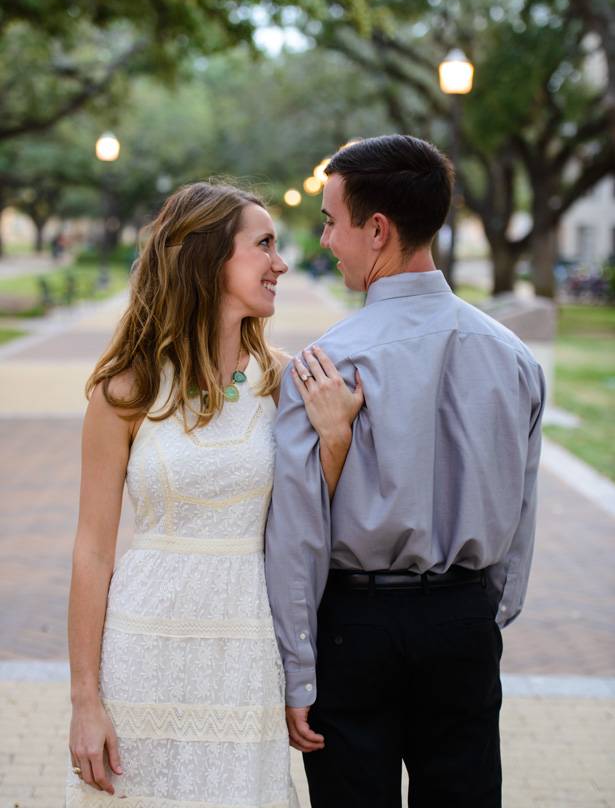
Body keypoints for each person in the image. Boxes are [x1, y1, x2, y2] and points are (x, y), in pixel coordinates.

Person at [265, 135, 545, 808]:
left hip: (354, 627)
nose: (326, 239)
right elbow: (523, 505)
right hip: (464, 620)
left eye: (332, 221)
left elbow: (298, 530)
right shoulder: (511, 357)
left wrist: (297, 672)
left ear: (378, 230)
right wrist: (485, 611)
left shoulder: (321, 366)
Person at [66, 181, 363, 807]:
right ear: (207, 259)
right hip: (143, 649)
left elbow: (311, 523)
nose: (281, 262)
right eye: (263, 245)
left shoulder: (287, 381)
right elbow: (93, 551)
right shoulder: (125, 392)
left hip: (245, 651)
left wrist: (334, 439)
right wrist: (85, 700)